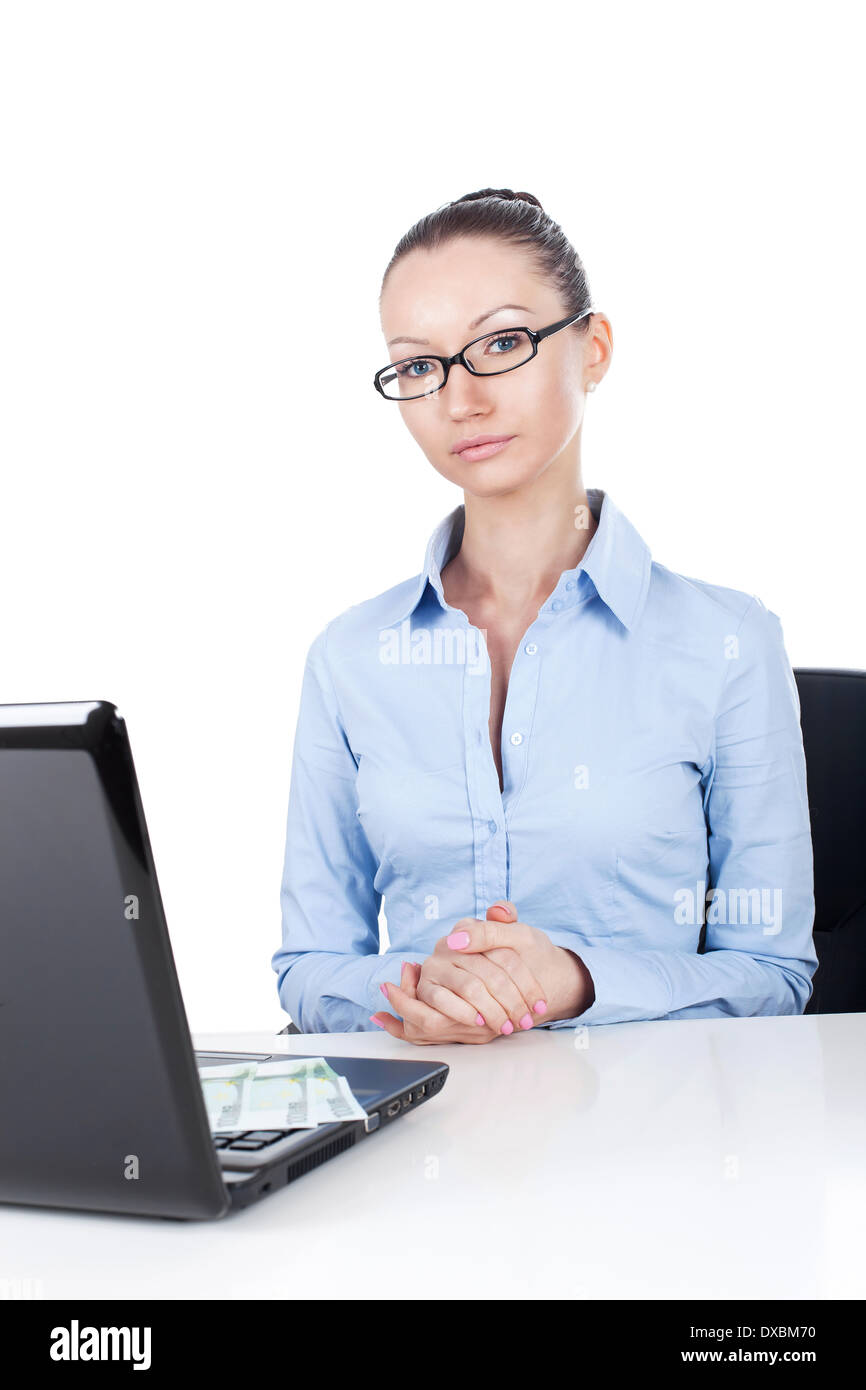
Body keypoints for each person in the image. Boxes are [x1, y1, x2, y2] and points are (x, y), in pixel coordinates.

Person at [271, 186, 817, 1043]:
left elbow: (774, 978)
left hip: (646, 1146)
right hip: (419, 1144)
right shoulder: (349, 658)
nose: (460, 400)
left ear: (592, 349)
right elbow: (307, 969)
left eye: (502, 343)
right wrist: (420, 987)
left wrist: (576, 981)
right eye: (419, 366)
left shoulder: (728, 645)